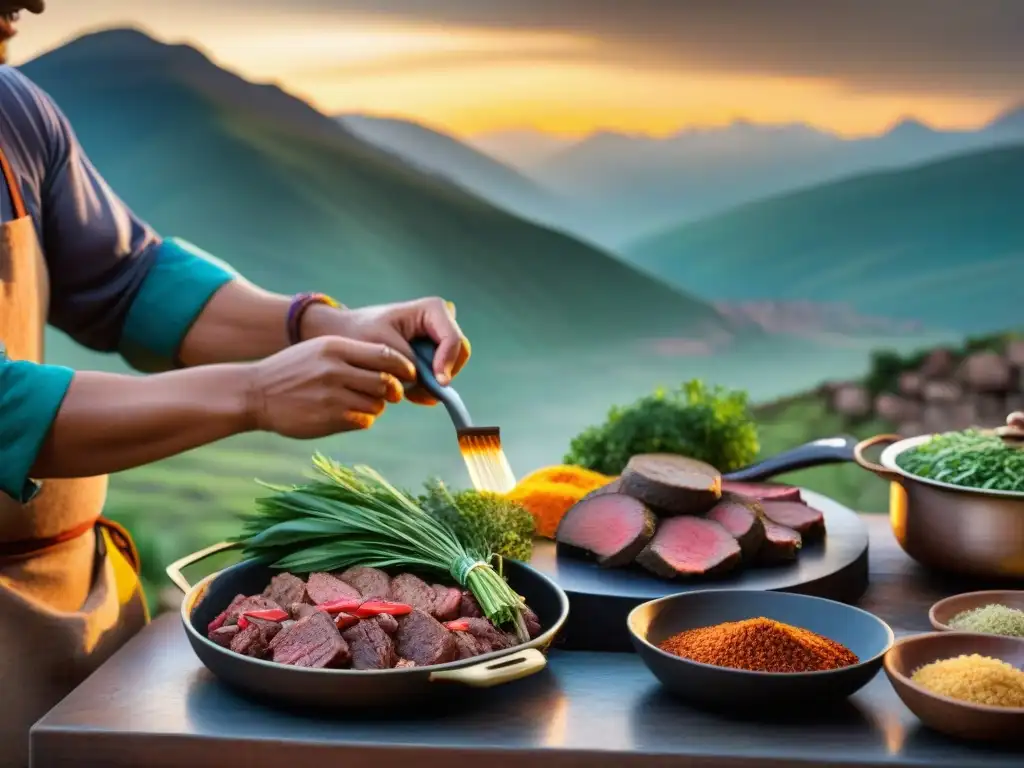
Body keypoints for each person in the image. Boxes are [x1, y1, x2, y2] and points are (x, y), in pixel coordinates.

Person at [0, 3, 470, 764]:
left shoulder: (12, 109)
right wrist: (255, 393)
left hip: (74, 603)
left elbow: (129, 281)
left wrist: (330, 327)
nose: (34, 2)